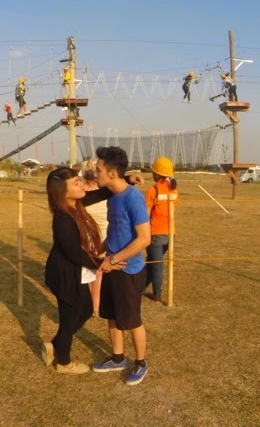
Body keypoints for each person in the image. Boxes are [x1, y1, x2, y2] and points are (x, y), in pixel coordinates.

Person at [92, 146, 152, 386]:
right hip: (112, 266)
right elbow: (116, 230)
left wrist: (113, 260)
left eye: (98, 170)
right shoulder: (113, 197)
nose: (95, 174)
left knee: (132, 320)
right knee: (112, 316)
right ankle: (118, 358)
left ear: (112, 173)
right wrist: (100, 249)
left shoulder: (133, 198)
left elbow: (144, 239)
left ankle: (141, 363)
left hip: (128, 270)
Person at [43, 167, 108, 374]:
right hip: (65, 276)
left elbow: (101, 193)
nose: (81, 184)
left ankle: (55, 345)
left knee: (86, 311)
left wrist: (127, 180)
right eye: (75, 183)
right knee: (70, 318)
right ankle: (64, 363)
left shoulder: (77, 204)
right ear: (63, 192)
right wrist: (102, 264)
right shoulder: (62, 218)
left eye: (78, 179)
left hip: (76, 272)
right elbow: (74, 253)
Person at [144, 157, 179, 303]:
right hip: (170, 234)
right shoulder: (174, 190)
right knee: (151, 262)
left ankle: (156, 295)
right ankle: (139, 287)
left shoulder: (153, 191)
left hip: (156, 233)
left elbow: (145, 215)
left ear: (157, 174)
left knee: (156, 264)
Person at [80, 159, 108, 316]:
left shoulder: (82, 192)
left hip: (92, 237)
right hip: (99, 236)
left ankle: (92, 305)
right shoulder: (103, 192)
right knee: (97, 272)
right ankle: (95, 306)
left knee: (91, 271)